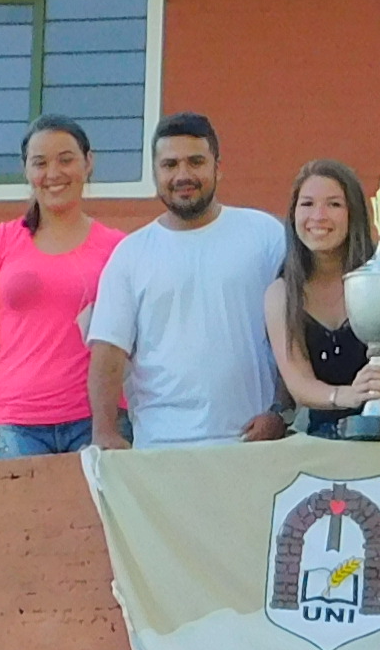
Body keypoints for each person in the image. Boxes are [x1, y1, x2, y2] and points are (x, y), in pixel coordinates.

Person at [84, 112, 290, 448]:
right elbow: (108, 350)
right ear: (155, 173)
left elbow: (294, 332)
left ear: (217, 168)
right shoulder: (130, 254)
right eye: (170, 165)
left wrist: (280, 412)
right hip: (161, 449)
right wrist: (104, 431)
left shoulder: (266, 236)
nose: (183, 175)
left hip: (252, 447)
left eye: (196, 162)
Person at [0, 116, 119, 462]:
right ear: (26, 170)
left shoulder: (118, 249)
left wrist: (112, 427)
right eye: (40, 163)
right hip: (16, 425)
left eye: (66, 159)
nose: (53, 173)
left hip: (96, 424)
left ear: (89, 162)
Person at [264, 158, 380, 434]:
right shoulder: (282, 294)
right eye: (307, 204)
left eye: (334, 204)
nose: (318, 216)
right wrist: (345, 395)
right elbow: (299, 384)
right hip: (323, 443)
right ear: (293, 215)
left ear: (354, 214)